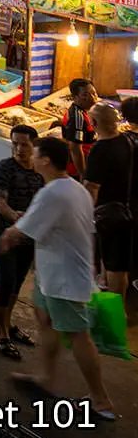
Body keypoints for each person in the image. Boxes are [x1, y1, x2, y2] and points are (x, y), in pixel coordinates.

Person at [1, 136, 114, 420]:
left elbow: (23, 229)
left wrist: (7, 235)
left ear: (46, 160)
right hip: (52, 275)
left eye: (36, 153)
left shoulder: (52, 193)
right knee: (44, 318)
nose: (32, 157)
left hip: (64, 278)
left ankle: (100, 401)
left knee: (78, 335)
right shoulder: (75, 189)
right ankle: (46, 378)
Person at [0, 124, 45, 360]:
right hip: (5, 233)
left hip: (29, 236)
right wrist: (17, 219)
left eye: (24, 144)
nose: (18, 149)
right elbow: (0, 203)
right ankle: (0, 331)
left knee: (18, 281)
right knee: (6, 280)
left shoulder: (40, 171)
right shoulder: (5, 168)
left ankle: (9, 323)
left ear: (34, 145)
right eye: (14, 144)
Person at [83, 101, 137, 297]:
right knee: (117, 263)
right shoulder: (125, 141)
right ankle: (114, 299)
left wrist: (85, 216)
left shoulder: (100, 150)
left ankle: (115, 307)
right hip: (124, 208)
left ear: (94, 123)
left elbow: (92, 188)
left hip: (107, 213)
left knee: (113, 264)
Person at [61, 78, 97, 173]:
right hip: (77, 168)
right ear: (75, 97)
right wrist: (82, 173)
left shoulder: (85, 111)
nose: (92, 98)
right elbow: (75, 149)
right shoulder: (77, 117)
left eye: (94, 93)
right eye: (85, 95)